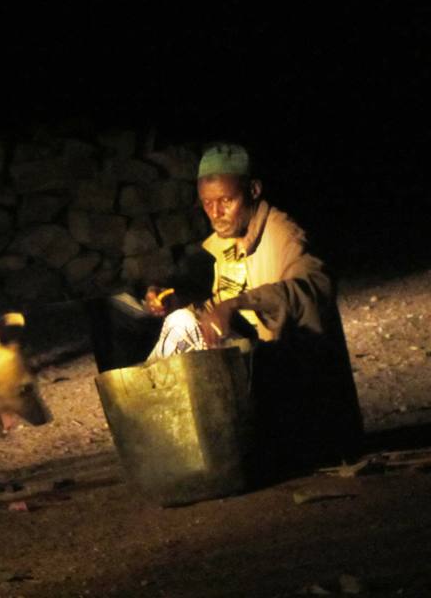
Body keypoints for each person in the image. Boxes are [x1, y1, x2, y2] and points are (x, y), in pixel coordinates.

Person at [89, 143, 364, 478]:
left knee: (184, 327)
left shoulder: (283, 235)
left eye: (226, 201)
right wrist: (175, 300)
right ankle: (162, 438)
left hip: (293, 389)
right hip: (256, 371)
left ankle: (160, 434)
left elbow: (313, 288)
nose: (216, 213)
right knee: (140, 315)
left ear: (253, 190)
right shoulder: (228, 243)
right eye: (208, 204)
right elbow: (222, 302)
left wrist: (233, 305)